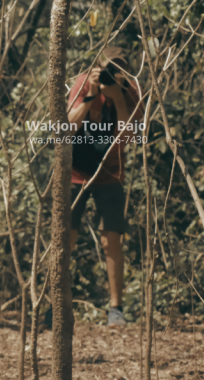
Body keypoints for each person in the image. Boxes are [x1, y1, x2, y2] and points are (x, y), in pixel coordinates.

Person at [65, 46, 142, 327]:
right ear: (98, 66)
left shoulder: (130, 90)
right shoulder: (84, 82)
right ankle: (57, 305)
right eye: (109, 67)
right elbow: (65, 128)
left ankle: (116, 309)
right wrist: (89, 96)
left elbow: (128, 138)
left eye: (119, 69)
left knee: (112, 240)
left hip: (110, 172)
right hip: (73, 171)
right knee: (66, 239)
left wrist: (118, 97)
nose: (113, 74)